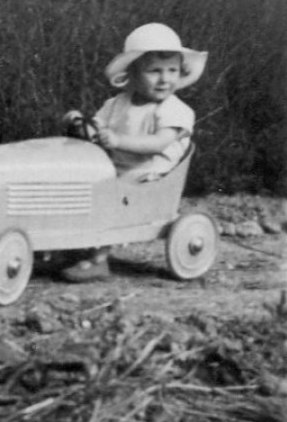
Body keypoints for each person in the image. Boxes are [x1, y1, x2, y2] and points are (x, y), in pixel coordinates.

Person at [60, 22, 208, 282]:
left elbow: (158, 144)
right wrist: (79, 122)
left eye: (172, 70)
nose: (165, 79)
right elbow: (96, 125)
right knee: (79, 183)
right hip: (115, 168)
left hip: (150, 176)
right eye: (154, 71)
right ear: (132, 74)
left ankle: (98, 259)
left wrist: (117, 140)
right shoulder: (116, 104)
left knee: (111, 195)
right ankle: (67, 243)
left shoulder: (174, 110)